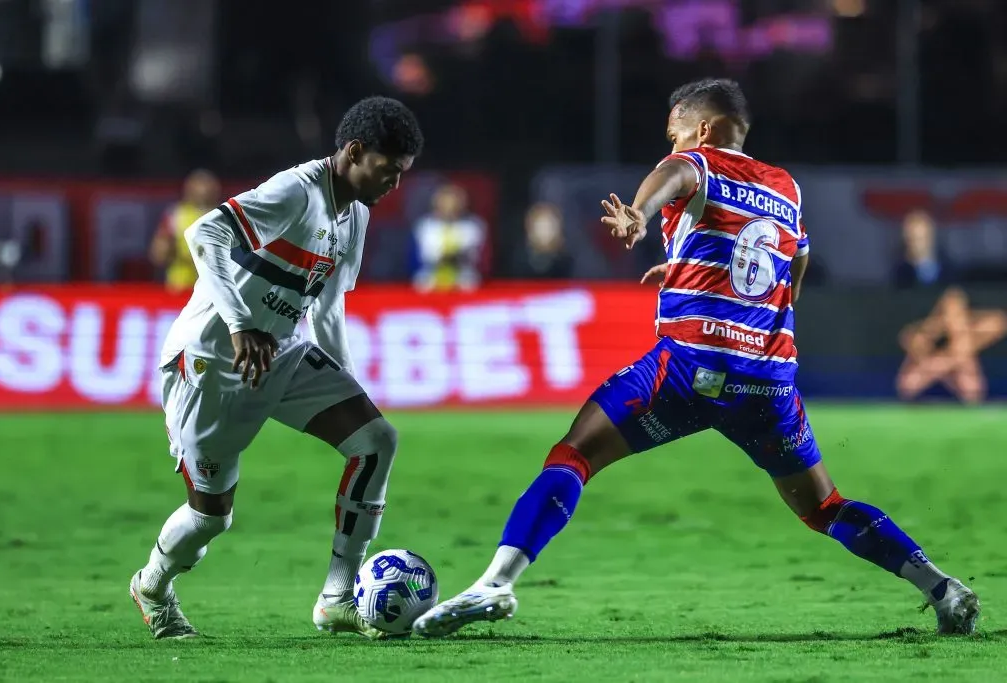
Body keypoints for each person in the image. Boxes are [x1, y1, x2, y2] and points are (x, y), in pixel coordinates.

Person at [413, 79, 979, 638]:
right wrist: (691, 266)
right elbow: (792, 275)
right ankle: (942, 588)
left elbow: (674, 176)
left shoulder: (695, 163)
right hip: (769, 382)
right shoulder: (786, 188)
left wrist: (637, 213)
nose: (673, 143)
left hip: (691, 368)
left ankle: (496, 582)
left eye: (675, 131)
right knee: (824, 506)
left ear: (702, 128)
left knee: (575, 454)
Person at [129, 96, 424, 640]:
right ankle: (152, 584)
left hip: (281, 353)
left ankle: (336, 596)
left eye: (402, 175)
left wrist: (351, 387)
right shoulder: (298, 190)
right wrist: (241, 323)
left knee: (376, 439)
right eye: (388, 171)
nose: (394, 186)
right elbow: (204, 235)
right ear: (355, 152)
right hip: (212, 360)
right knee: (211, 517)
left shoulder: (354, 215)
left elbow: (329, 309)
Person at [149, 170, 222, 293]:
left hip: (214, 290)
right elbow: (158, 255)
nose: (203, 190)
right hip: (181, 287)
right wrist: (168, 248)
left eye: (207, 185)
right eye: (199, 185)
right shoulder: (176, 215)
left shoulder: (223, 216)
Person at [411, 183, 487, 291]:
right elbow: (428, 255)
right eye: (445, 201)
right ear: (437, 203)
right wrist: (445, 256)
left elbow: (471, 254)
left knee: (469, 283)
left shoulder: (473, 226)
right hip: (432, 275)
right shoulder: (425, 225)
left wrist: (452, 256)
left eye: (453, 201)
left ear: (462, 203)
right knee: (421, 283)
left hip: (463, 275)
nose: (449, 205)